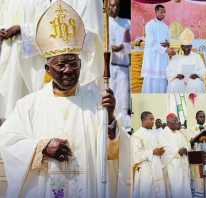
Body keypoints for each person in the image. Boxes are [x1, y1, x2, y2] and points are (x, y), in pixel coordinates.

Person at [0, 1, 130, 197]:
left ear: (80, 65)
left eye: (73, 64)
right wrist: (41, 148)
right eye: (60, 65)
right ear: (48, 69)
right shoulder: (29, 105)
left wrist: (110, 119)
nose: (68, 70)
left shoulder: (97, 101)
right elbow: (7, 141)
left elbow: (113, 154)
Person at [0, 0, 105, 119]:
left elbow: (88, 35)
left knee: (83, 116)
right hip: (55, 66)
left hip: (81, 67)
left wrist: (24, 30)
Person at [141, 4, 176, 93]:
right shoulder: (149, 25)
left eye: (164, 12)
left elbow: (168, 40)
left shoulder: (165, 26)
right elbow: (151, 42)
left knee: (162, 80)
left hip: (162, 58)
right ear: (156, 12)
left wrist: (168, 44)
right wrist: (165, 50)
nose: (163, 14)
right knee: (151, 81)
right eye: (161, 12)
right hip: (153, 58)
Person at [132, 111, 166, 198]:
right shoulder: (137, 135)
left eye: (153, 119)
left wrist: (160, 151)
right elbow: (136, 153)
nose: (153, 121)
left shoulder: (152, 134)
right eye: (150, 119)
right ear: (143, 119)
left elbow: (155, 148)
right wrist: (153, 152)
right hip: (144, 169)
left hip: (156, 166)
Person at [109, 0, 131, 128]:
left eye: (117, 5)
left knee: (123, 94)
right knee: (111, 93)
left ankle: (124, 122)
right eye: (112, 5)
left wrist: (124, 46)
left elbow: (133, 43)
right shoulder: (103, 22)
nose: (115, 8)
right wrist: (110, 47)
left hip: (123, 65)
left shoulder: (127, 23)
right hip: (110, 65)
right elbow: (100, 42)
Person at [158, 113, 192, 198]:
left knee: (185, 186)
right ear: (168, 122)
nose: (177, 122)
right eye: (174, 121)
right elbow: (163, 149)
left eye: (177, 120)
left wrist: (185, 149)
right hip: (172, 165)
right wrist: (177, 151)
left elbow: (187, 145)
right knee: (175, 188)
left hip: (183, 164)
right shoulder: (163, 134)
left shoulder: (180, 134)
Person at [166, 28, 206, 93]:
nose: (187, 49)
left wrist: (197, 75)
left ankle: (195, 102)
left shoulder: (197, 56)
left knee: (197, 84)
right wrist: (176, 75)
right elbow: (169, 70)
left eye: (189, 46)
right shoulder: (175, 57)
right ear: (181, 46)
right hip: (179, 80)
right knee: (174, 85)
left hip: (193, 80)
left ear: (191, 46)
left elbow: (202, 69)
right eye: (184, 46)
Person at [187, 111, 206, 197]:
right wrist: (192, 143)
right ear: (196, 118)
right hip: (196, 157)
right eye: (200, 117)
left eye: (204, 117)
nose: (202, 118)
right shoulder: (192, 130)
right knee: (198, 177)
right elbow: (189, 144)